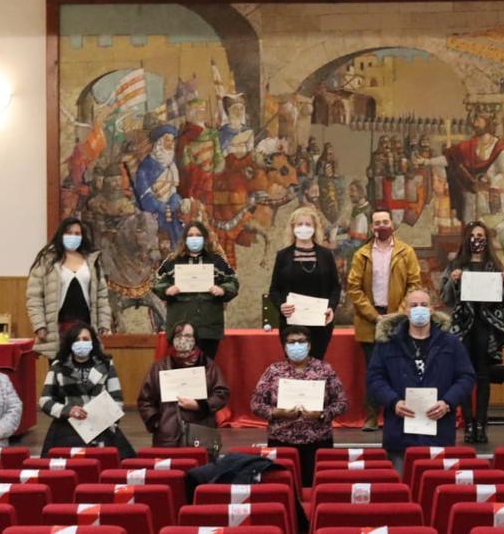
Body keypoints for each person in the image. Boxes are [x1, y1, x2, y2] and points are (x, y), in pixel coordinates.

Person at [367, 290, 476, 463]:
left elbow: (466, 377)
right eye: (414, 305)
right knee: (402, 488)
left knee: (436, 487)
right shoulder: (388, 343)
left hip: (439, 434)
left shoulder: (451, 343)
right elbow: (374, 378)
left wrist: (447, 403)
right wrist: (393, 402)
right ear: (405, 311)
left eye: (424, 305)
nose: (419, 309)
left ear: (432, 309)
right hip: (399, 436)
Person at [347, 208, 423, 431]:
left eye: (385, 221)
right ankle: (371, 416)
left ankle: (398, 416)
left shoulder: (406, 252)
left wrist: (398, 313)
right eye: (377, 223)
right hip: (369, 320)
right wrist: (374, 315)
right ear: (372, 227)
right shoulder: (361, 254)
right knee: (374, 370)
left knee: (400, 368)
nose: (382, 226)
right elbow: (354, 288)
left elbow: (415, 285)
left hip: (399, 320)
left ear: (393, 224)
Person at [441, 221, 504, 444]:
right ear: (466, 239)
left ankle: (481, 423)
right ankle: (468, 423)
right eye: (473, 235)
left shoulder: (495, 265)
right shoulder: (456, 265)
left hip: (486, 328)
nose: (477, 239)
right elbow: (445, 298)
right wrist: (452, 282)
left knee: (483, 376)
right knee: (464, 375)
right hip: (463, 327)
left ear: (486, 239)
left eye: (481, 235)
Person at [250, 325, 348, 486]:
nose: (297, 345)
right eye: (291, 342)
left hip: (318, 441)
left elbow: (342, 402)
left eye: (301, 341)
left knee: (316, 487)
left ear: (309, 345)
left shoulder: (324, 369)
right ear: (285, 346)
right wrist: (277, 412)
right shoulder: (274, 371)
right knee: (282, 488)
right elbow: (256, 403)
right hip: (281, 440)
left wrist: (321, 415)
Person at [40, 322, 134, 456]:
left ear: (92, 342)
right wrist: (68, 410)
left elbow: (117, 398)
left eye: (85, 339)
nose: (81, 343)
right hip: (67, 426)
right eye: (77, 340)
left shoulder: (106, 364)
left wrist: (108, 419)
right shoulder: (58, 365)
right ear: (70, 344)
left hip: (100, 426)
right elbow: (45, 400)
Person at [27, 217, 114, 361]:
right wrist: (39, 325)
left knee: (86, 368)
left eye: (77, 234)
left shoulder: (91, 260)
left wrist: (104, 323)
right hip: (58, 326)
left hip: (86, 324)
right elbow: (34, 296)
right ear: (61, 234)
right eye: (69, 233)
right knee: (60, 371)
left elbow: (102, 296)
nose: (73, 237)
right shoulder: (47, 260)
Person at [153, 222, 239, 360]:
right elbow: (156, 281)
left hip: (209, 327)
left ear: (205, 238)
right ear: (184, 239)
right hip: (180, 325)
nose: (194, 238)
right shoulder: (172, 261)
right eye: (190, 235)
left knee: (206, 368)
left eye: (198, 235)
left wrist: (222, 290)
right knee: (183, 369)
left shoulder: (217, 261)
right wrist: (167, 290)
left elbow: (233, 282)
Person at [137, 322, 231, 447]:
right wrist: (156, 422)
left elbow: (221, 394)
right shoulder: (160, 367)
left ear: (195, 339)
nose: (183, 340)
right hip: (168, 436)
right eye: (178, 336)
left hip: (201, 433)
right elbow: (145, 399)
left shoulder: (208, 365)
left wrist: (200, 405)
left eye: (187, 336)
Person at [269, 206, 341, 360]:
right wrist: (281, 306)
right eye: (299, 224)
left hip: (320, 322)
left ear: (315, 228)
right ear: (292, 227)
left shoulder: (326, 255)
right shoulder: (283, 256)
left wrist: (331, 308)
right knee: (294, 365)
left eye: (308, 224)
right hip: (291, 322)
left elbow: (335, 287)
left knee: (316, 365)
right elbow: (274, 290)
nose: (304, 228)